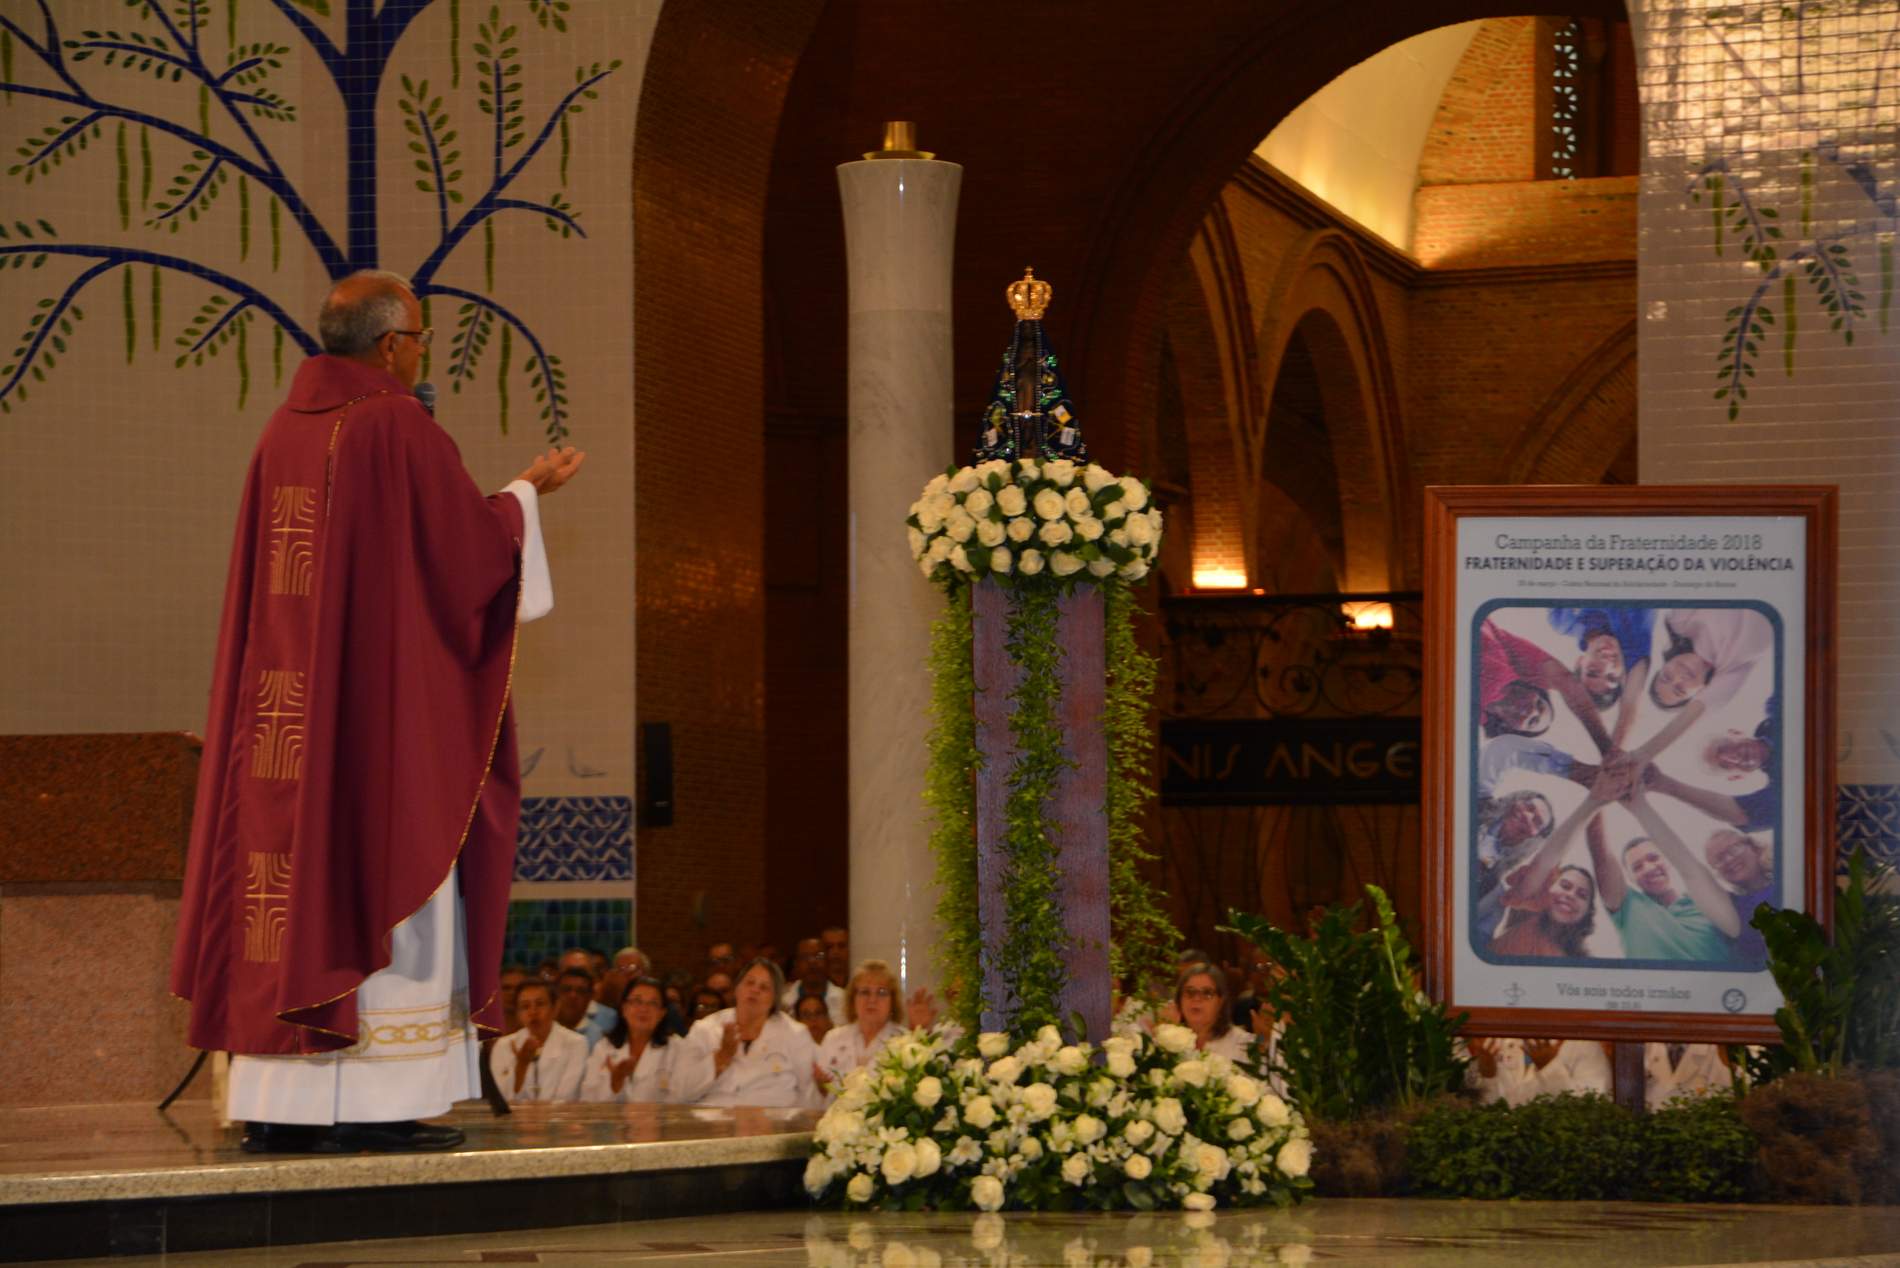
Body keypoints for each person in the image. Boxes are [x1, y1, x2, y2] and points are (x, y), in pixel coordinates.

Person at [169, 269, 584, 1155]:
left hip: (283, 731)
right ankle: (377, 1104)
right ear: (393, 345)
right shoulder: (395, 426)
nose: (420, 353)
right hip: (370, 734)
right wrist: (523, 494)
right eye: (421, 339)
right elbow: (463, 562)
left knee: (284, 896)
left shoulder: (282, 432)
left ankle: (279, 1105)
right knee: (388, 873)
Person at [1590, 784, 1741, 962]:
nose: (1648, 868)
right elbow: (1600, 855)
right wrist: (1596, 796)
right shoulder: (1628, 908)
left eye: (1653, 858)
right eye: (1637, 867)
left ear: (1668, 861)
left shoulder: (1704, 902)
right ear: (1629, 878)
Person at [674, 958, 821, 1108]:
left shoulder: (795, 1033)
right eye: (750, 983)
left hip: (774, 1118)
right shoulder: (705, 1029)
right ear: (737, 989)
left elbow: (809, 1095)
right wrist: (721, 1056)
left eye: (764, 987)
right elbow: (681, 1091)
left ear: (775, 999)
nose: (755, 990)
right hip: (715, 1117)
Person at [1477, 617, 1615, 750]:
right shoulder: (1508, 652)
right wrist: (1607, 749)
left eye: (1532, 721)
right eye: (1540, 704)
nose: (1532, 711)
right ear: (1534, 687)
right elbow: (1566, 682)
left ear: (1510, 730)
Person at [1546, 606, 1655, 732]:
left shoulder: (1562, 622)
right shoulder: (1635, 631)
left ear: (1579, 663)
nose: (1606, 664)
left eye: (1593, 672)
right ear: (1622, 674)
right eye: (1612, 677)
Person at [1650, 608, 1773, 713]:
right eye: (1680, 690)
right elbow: (1712, 702)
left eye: (1666, 676)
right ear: (1699, 692)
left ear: (1665, 664)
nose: (1678, 678)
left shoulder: (1679, 624)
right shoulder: (1731, 668)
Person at [579, 977, 681, 1103]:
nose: (644, 1009)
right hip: (610, 1116)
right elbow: (587, 1099)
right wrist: (615, 1084)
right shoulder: (604, 1047)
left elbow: (682, 1098)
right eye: (637, 1001)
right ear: (624, 1008)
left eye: (653, 1003)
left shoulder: (676, 1048)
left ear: (662, 1013)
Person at [814, 959, 906, 1097]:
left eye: (881, 992)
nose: (872, 1000)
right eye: (865, 992)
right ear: (852, 999)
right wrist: (821, 1087)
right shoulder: (833, 1038)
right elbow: (820, 1094)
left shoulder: (904, 1041)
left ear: (892, 1001)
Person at [488, 979, 587, 1103]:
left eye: (540, 1004)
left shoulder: (576, 1043)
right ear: (518, 1013)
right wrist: (521, 1066)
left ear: (555, 1007)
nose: (533, 1012)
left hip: (561, 1115)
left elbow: (566, 1096)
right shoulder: (504, 1046)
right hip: (517, 1116)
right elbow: (502, 1098)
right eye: (525, 1006)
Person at [1467, 1037, 1611, 1105]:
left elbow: (1594, 1106)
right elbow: (1488, 1109)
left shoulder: (1581, 1042)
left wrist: (1549, 1068)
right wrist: (1488, 1075)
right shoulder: (1492, 1039)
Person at [1174, 962, 1258, 1064]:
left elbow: (1261, 1042)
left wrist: (1264, 1038)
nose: (1196, 998)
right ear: (1179, 999)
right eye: (1190, 992)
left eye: (1207, 993)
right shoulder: (1165, 1039)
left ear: (1220, 1002)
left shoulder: (1241, 1041)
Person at [1644, 1042, 1730, 1110]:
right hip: (1647, 1123)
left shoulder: (1714, 1048)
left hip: (1697, 1124)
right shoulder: (1644, 1044)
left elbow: (1726, 1097)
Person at [782, 937, 847, 1025]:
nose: (812, 962)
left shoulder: (845, 1001)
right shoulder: (783, 1003)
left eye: (819, 955)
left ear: (827, 961)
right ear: (796, 964)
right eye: (805, 957)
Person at [554, 967, 609, 1051]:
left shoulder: (598, 1038)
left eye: (580, 991)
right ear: (556, 994)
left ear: (590, 997)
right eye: (566, 989)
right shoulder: (544, 1028)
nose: (573, 996)